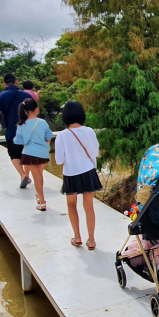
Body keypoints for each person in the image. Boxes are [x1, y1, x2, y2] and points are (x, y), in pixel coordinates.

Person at [54, 100, 102, 250]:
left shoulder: (62, 135)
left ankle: (77, 237)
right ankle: (92, 240)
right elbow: (95, 153)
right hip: (88, 171)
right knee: (89, 206)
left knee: (71, 205)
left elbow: (58, 160)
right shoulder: (89, 131)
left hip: (70, 174)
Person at [0, 74, 33, 188]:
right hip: (27, 129)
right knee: (27, 153)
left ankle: (23, 175)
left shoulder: (2, 95)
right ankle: (27, 175)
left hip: (12, 130)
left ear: (4, 84)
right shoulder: (26, 95)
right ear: (17, 82)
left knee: (14, 154)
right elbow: (34, 112)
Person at [14, 98, 54, 211]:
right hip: (42, 153)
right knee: (40, 177)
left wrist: (27, 140)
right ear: (36, 108)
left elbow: (17, 140)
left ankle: (42, 202)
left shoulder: (21, 124)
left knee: (37, 178)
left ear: (24, 110)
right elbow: (49, 137)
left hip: (29, 153)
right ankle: (40, 197)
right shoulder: (42, 122)